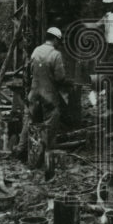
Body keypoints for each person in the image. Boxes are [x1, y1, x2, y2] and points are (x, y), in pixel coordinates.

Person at [17, 27, 70, 174]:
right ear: (55, 39)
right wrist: (68, 83)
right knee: (51, 122)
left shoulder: (36, 51)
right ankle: (46, 154)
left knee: (29, 120)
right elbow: (60, 78)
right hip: (48, 95)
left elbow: (29, 71)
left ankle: (21, 149)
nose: (59, 44)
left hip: (34, 93)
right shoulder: (56, 54)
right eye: (59, 41)